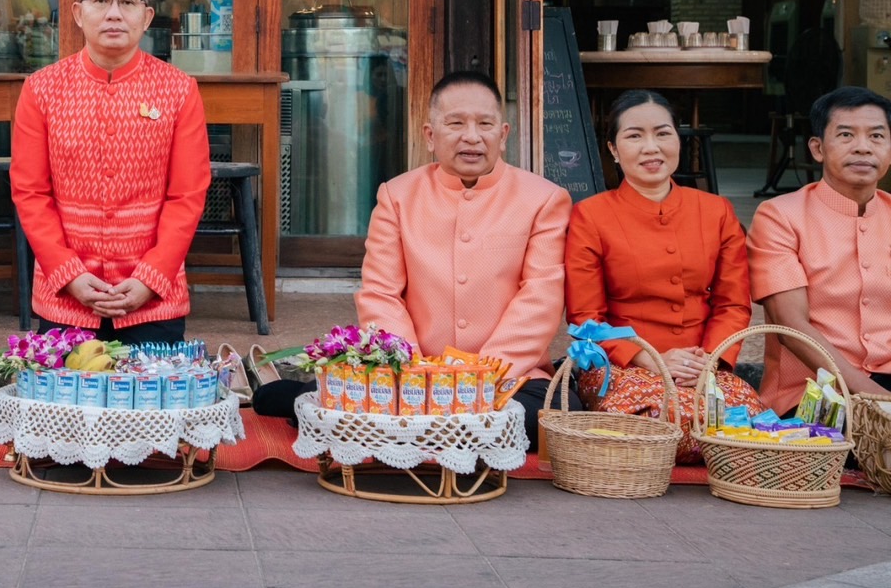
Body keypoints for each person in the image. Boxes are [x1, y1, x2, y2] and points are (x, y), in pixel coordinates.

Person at [254, 71, 578, 448]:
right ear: (429, 135)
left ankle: (361, 414)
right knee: (356, 405)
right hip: (410, 374)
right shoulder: (397, 196)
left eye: (485, 124)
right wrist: (413, 372)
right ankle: (324, 399)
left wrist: (476, 376)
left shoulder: (544, 199)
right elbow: (381, 294)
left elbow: (541, 298)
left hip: (508, 378)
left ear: (503, 135)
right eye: (456, 123)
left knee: (535, 421)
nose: (471, 136)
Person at [11, 0, 211, 343]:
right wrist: (69, 275)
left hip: (152, 298)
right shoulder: (41, 89)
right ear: (77, 12)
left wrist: (150, 279)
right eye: (100, 0)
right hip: (66, 297)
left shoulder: (178, 90)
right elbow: (30, 192)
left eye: (127, 2)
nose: (114, 13)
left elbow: (187, 196)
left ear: (147, 16)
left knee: (150, 404)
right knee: (63, 405)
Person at [564, 90, 762, 462]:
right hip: (623, 366)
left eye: (663, 133)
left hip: (703, 363)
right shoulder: (591, 216)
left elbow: (733, 304)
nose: (651, 147)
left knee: (746, 417)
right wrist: (652, 360)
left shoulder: (716, 211)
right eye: (635, 136)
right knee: (662, 417)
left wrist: (710, 361)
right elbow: (585, 318)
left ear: (678, 140)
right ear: (613, 149)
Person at [748, 86, 891, 413]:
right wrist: (876, 399)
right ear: (817, 148)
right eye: (845, 135)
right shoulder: (780, 216)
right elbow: (791, 326)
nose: (863, 148)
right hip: (812, 392)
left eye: (877, 137)